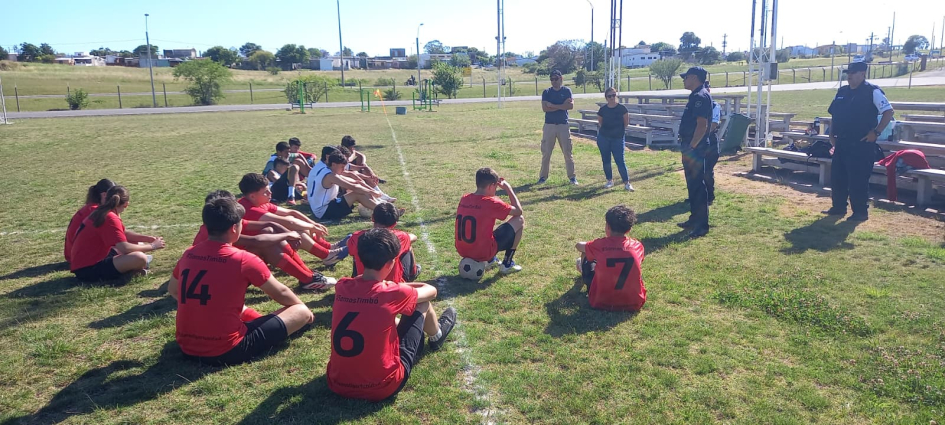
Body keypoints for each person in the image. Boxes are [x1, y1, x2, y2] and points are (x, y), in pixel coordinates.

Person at [169, 196, 314, 366]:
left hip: (186, 346)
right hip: (227, 350)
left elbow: (173, 290)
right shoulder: (243, 259)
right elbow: (281, 293)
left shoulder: (189, 253)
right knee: (301, 311)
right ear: (234, 228)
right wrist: (306, 314)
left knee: (228, 305)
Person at [326, 228, 457, 402]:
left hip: (337, 383)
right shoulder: (392, 292)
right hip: (383, 386)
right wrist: (394, 284)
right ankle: (436, 335)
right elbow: (431, 291)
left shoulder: (342, 285)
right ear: (391, 263)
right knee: (422, 303)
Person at [193, 190, 336, 289]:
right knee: (267, 245)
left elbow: (266, 225)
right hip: (218, 278)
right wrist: (286, 235)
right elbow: (256, 241)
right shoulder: (218, 230)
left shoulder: (220, 222)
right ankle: (307, 279)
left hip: (223, 267)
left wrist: (281, 229)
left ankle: (309, 276)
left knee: (269, 232)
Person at [822, 61, 894, 222]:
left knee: (858, 180)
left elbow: (888, 111)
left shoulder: (872, 91)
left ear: (863, 73)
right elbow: (834, 114)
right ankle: (838, 207)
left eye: (853, 73)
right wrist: (831, 134)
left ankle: (860, 212)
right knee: (838, 178)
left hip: (861, 144)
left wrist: (876, 132)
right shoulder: (842, 91)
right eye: (848, 73)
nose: (850, 76)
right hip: (842, 142)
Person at [238, 173, 348, 271]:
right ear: (252, 196)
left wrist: (313, 224)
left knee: (299, 226)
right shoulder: (249, 209)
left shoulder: (257, 201)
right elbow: (289, 222)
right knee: (296, 231)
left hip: (263, 243)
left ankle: (329, 248)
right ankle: (327, 256)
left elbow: (292, 213)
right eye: (266, 192)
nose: (270, 193)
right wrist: (311, 227)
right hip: (250, 252)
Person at [70, 186, 166, 282]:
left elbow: (122, 234)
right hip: (88, 270)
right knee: (140, 258)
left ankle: (132, 269)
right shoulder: (110, 217)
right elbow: (124, 248)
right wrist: (153, 246)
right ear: (126, 204)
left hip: (84, 264)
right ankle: (130, 271)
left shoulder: (102, 211)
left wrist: (147, 239)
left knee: (138, 244)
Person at [574, 205, 647, 311]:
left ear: (607, 226)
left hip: (600, 302)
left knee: (586, 252)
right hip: (634, 303)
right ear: (629, 229)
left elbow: (578, 245)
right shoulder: (637, 246)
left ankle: (582, 268)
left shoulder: (600, 244)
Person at [455, 168, 524, 274]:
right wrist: (508, 188)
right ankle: (507, 263)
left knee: (484, 226)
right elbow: (518, 211)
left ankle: (491, 260)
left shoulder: (465, 198)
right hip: (482, 252)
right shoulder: (491, 203)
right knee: (519, 220)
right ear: (491, 186)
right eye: (495, 187)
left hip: (462, 250)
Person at [676, 67, 713, 238]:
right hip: (691, 146)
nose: (684, 80)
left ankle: (701, 225)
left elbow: (702, 125)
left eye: (686, 77)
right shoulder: (696, 94)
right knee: (692, 185)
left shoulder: (700, 96)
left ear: (694, 78)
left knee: (698, 186)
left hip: (695, 148)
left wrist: (692, 146)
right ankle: (694, 219)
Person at [307, 149, 392, 220]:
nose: (344, 170)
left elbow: (353, 182)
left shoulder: (328, 170)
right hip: (324, 212)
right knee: (357, 193)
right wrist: (373, 192)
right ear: (333, 164)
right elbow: (353, 187)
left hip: (327, 206)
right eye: (342, 167)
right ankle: (387, 213)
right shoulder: (330, 176)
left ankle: (381, 205)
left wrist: (366, 185)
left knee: (360, 191)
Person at [348, 203, 420, 282]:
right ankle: (413, 272)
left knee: (356, 250)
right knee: (407, 246)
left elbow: (349, 246)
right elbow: (413, 237)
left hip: (363, 282)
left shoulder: (357, 237)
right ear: (394, 224)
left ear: (372, 218)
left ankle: (356, 278)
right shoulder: (401, 237)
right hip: (391, 285)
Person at [538, 69, 577, 185]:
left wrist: (553, 105)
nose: (554, 81)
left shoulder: (567, 91)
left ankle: (572, 177)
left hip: (563, 125)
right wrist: (562, 105)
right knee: (546, 153)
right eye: (552, 79)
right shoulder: (546, 92)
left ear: (561, 78)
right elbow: (545, 108)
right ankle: (543, 177)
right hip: (549, 125)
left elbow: (570, 106)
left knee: (567, 152)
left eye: (556, 79)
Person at [65, 179, 115, 265]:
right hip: (80, 257)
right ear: (104, 195)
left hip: (73, 253)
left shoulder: (91, 207)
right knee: (128, 247)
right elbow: (114, 235)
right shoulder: (95, 211)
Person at [596, 87, 634, 191]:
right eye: (610, 96)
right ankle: (609, 180)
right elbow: (600, 122)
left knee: (620, 161)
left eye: (614, 95)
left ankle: (627, 183)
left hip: (617, 138)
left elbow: (625, 123)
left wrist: (618, 132)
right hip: (604, 137)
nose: (612, 98)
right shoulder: (603, 110)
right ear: (606, 97)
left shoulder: (622, 108)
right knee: (606, 160)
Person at [705, 82, 721, 205]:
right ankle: (696, 195)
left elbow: (713, 124)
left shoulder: (714, 106)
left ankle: (709, 195)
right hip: (698, 141)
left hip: (709, 140)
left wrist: (700, 136)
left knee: (707, 170)